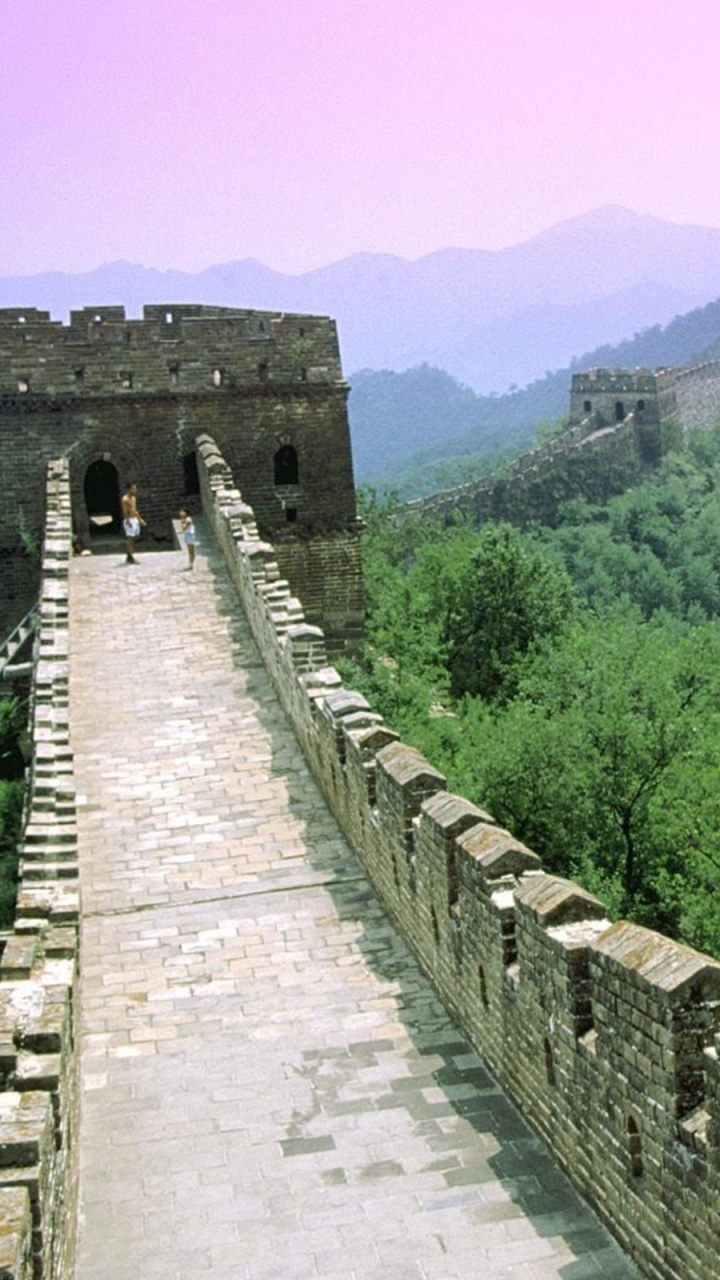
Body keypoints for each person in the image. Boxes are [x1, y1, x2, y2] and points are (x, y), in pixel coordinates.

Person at [121, 484, 146, 564]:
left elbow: (134, 510)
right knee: (130, 538)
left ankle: (129, 555)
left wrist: (140, 519)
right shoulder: (125, 499)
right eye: (133, 489)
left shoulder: (134, 499)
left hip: (134, 519)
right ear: (129, 489)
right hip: (129, 520)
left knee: (133, 539)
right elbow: (125, 511)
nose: (135, 491)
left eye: (135, 489)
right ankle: (130, 557)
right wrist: (128, 521)